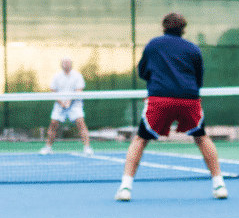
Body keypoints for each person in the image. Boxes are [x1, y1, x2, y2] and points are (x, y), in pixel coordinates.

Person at [115, 12, 227, 201]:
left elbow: (143, 72)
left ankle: (125, 188)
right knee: (201, 137)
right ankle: (219, 185)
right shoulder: (193, 49)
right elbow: (198, 79)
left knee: (140, 140)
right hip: (188, 99)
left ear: (163, 27)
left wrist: (159, 85)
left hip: (160, 99)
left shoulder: (153, 45)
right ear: (184, 29)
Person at [39, 58, 93, 155]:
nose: (66, 65)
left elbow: (79, 89)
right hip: (60, 104)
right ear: (61, 65)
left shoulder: (77, 76)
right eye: (64, 63)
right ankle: (48, 147)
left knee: (80, 122)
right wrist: (62, 103)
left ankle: (87, 147)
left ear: (71, 64)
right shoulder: (57, 76)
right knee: (53, 124)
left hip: (75, 104)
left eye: (68, 63)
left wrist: (69, 101)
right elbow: (53, 90)